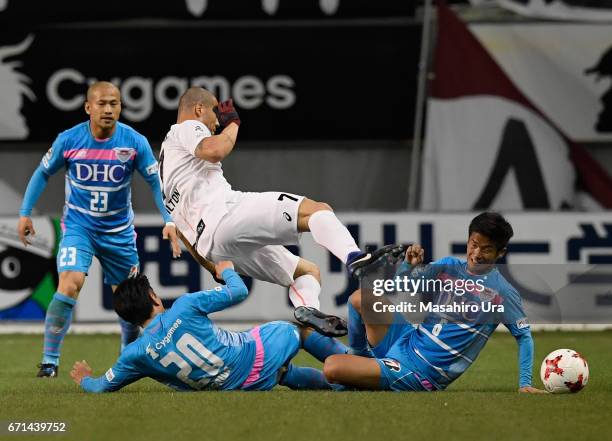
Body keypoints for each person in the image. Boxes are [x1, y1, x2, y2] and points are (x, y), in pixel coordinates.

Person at [158, 87, 377, 337]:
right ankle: (355, 259)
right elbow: (214, 150)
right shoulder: (186, 128)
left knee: (307, 272)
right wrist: (234, 124)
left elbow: (186, 235)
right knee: (316, 210)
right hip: (225, 214)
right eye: (214, 114)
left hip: (212, 247)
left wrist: (211, 267)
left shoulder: (165, 172)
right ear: (198, 110)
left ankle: (307, 309)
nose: (216, 122)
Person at [17, 81, 181, 378]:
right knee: (69, 283)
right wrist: (25, 213)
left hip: (118, 233)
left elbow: (156, 184)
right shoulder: (69, 140)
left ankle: (126, 358)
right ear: (88, 107)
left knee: (130, 301)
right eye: (102, 103)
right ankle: (49, 362)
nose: (108, 109)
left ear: (120, 106)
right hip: (79, 228)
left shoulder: (134, 142)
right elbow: (42, 173)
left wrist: (169, 221)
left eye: (114, 103)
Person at [322, 212, 546, 393]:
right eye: (474, 244)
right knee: (361, 298)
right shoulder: (448, 266)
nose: (477, 254)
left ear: (500, 252)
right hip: (408, 340)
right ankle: (360, 360)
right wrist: (408, 266)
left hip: (422, 373)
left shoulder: (503, 293)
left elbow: (523, 336)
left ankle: (349, 373)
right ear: (468, 240)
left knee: (332, 367)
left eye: (486, 249)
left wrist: (524, 384)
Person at [69, 261, 348, 392]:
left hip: (236, 388)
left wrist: (84, 378)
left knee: (284, 372)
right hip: (252, 358)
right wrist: (225, 269)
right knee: (297, 331)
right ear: (153, 297)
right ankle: (359, 367)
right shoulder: (184, 306)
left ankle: (338, 387)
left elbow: (100, 387)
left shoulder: (135, 354)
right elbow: (238, 291)